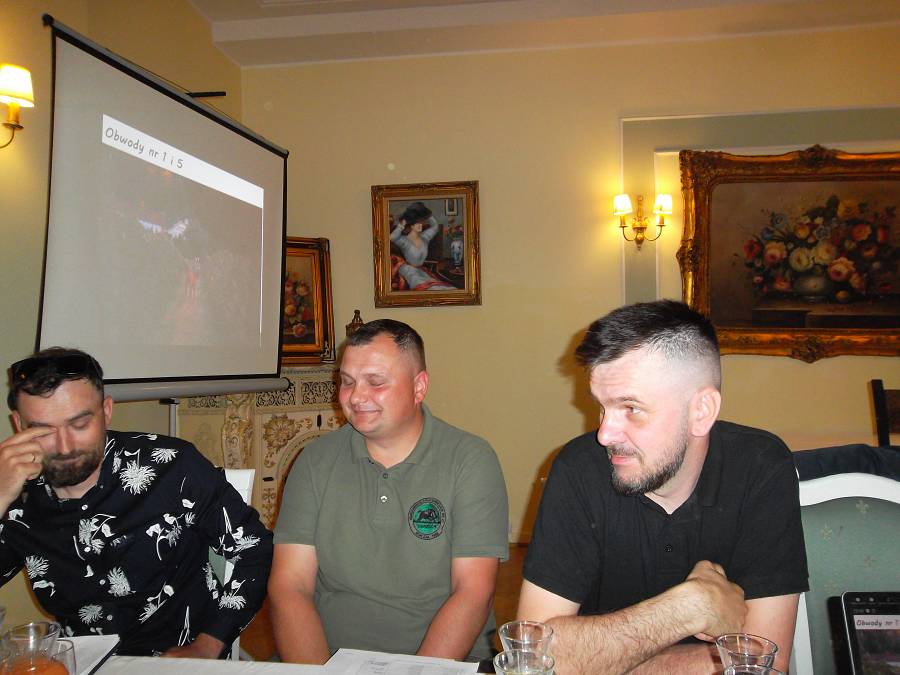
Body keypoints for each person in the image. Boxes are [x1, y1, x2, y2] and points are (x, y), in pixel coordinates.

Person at [517, 300, 808, 674]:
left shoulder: (761, 467)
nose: (605, 434)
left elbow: (764, 663)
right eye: (602, 407)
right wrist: (686, 608)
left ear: (701, 411)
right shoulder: (578, 468)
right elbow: (532, 655)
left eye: (631, 408)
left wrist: (595, 658)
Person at [0, 348, 273, 657]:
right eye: (43, 431)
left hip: (178, 657)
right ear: (19, 425)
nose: (65, 447)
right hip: (80, 660)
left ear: (106, 411)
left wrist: (209, 645)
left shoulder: (172, 467)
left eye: (80, 424)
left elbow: (255, 550)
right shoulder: (16, 492)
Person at [269, 319, 508, 663]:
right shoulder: (314, 461)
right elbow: (289, 586)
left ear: (419, 387)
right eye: (347, 381)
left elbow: (473, 593)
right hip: (328, 660)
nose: (356, 397)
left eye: (376, 382)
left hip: (441, 664)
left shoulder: (470, 460)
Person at [389, 202, 456, 291]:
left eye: (421, 222)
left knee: (443, 287)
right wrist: (401, 225)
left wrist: (427, 214)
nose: (421, 225)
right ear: (411, 225)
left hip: (421, 270)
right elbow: (392, 238)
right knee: (427, 287)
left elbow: (435, 226)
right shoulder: (404, 241)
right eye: (417, 223)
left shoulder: (425, 237)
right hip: (408, 270)